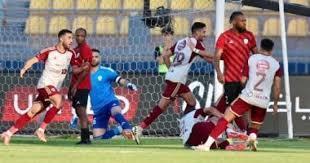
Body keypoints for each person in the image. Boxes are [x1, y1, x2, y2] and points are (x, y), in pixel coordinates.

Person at [193, 38, 282, 151]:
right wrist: (275, 104)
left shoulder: (252, 59)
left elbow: (243, 80)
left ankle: (206, 145)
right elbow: (277, 87)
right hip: (263, 100)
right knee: (254, 126)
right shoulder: (276, 65)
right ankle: (252, 138)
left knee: (225, 119)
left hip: (247, 97)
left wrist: (238, 93)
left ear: (260, 47)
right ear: (272, 50)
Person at [133, 22, 213, 143]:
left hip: (174, 77)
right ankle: (139, 128)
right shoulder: (196, 43)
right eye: (203, 32)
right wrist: (220, 57)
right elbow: (208, 56)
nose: (205, 35)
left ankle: (186, 127)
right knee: (161, 107)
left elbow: (165, 56)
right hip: (177, 80)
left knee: (191, 102)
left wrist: (171, 69)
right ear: (196, 32)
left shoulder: (181, 41)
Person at [1, 29, 76, 145]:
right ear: (61, 38)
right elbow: (32, 60)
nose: (72, 40)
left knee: (32, 112)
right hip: (45, 84)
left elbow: (77, 66)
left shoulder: (71, 53)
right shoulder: (49, 51)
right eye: (69, 37)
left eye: (72, 38)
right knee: (60, 101)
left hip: (54, 88)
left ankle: (8, 133)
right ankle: (41, 130)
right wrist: (24, 68)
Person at [213, 11, 258, 132]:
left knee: (247, 107)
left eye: (245, 21)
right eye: (242, 21)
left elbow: (256, 56)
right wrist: (219, 73)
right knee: (232, 108)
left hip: (247, 79)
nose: (244, 23)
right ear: (234, 22)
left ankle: (247, 133)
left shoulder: (249, 36)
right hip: (231, 80)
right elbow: (216, 56)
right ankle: (236, 132)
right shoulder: (224, 37)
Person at [90, 49, 138, 143]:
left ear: (100, 58)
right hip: (98, 109)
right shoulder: (84, 73)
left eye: (96, 57)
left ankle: (129, 129)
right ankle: (119, 130)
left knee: (115, 111)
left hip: (110, 101)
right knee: (98, 139)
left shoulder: (106, 71)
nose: (94, 58)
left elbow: (120, 80)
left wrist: (128, 84)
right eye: (92, 56)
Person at [180, 107, 248, 151]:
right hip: (201, 129)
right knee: (216, 119)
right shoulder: (195, 113)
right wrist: (225, 119)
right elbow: (210, 109)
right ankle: (230, 131)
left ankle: (229, 143)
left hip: (191, 143)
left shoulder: (184, 120)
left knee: (219, 142)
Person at [68, 28, 93, 144]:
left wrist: (76, 86)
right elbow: (74, 71)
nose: (79, 38)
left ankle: (86, 138)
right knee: (79, 112)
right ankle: (86, 136)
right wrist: (71, 87)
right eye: (77, 36)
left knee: (82, 112)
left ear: (85, 37)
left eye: (82, 36)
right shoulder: (75, 51)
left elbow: (86, 69)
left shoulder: (86, 50)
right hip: (76, 86)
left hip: (82, 86)